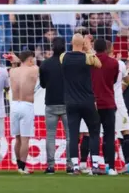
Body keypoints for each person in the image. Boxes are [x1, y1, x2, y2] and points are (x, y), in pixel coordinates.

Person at [60, 34, 103, 175]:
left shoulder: (63, 57)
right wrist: (89, 48)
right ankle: (95, 165)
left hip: (71, 102)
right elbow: (99, 64)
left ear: (71, 42)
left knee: (73, 134)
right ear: (83, 43)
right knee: (94, 132)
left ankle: (76, 167)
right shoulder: (87, 57)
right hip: (87, 101)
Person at [39, 37, 72, 174]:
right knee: (70, 135)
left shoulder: (45, 64)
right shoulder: (70, 63)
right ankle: (70, 165)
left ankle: (51, 166)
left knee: (50, 135)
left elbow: (43, 84)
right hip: (68, 103)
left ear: (52, 47)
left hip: (51, 102)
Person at [89, 38, 119, 175]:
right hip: (109, 103)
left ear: (94, 48)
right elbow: (113, 81)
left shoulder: (90, 62)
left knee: (94, 135)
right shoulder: (114, 63)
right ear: (107, 49)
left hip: (94, 104)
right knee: (109, 136)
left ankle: (94, 166)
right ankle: (111, 167)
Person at [7, 50, 38, 174]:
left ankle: (19, 166)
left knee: (18, 138)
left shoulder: (12, 71)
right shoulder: (33, 69)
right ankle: (23, 167)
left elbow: (21, 64)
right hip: (26, 105)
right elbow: (33, 66)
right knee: (25, 139)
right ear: (30, 59)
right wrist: (19, 60)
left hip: (14, 105)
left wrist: (17, 61)